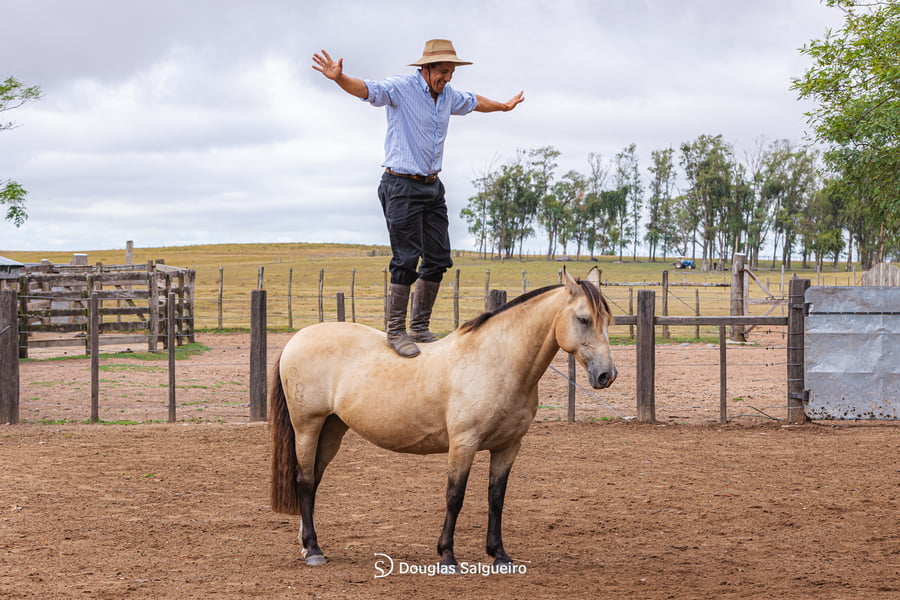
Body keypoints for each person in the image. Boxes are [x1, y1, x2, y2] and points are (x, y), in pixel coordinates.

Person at [312, 39, 524, 357]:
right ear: (425, 68)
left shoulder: (448, 95)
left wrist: (504, 106)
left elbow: (474, 101)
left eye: (451, 72)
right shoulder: (401, 88)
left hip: (431, 187)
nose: (448, 78)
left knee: (438, 258)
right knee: (407, 259)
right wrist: (340, 78)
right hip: (400, 185)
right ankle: (395, 331)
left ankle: (419, 327)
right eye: (442, 71)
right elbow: (367, 90)